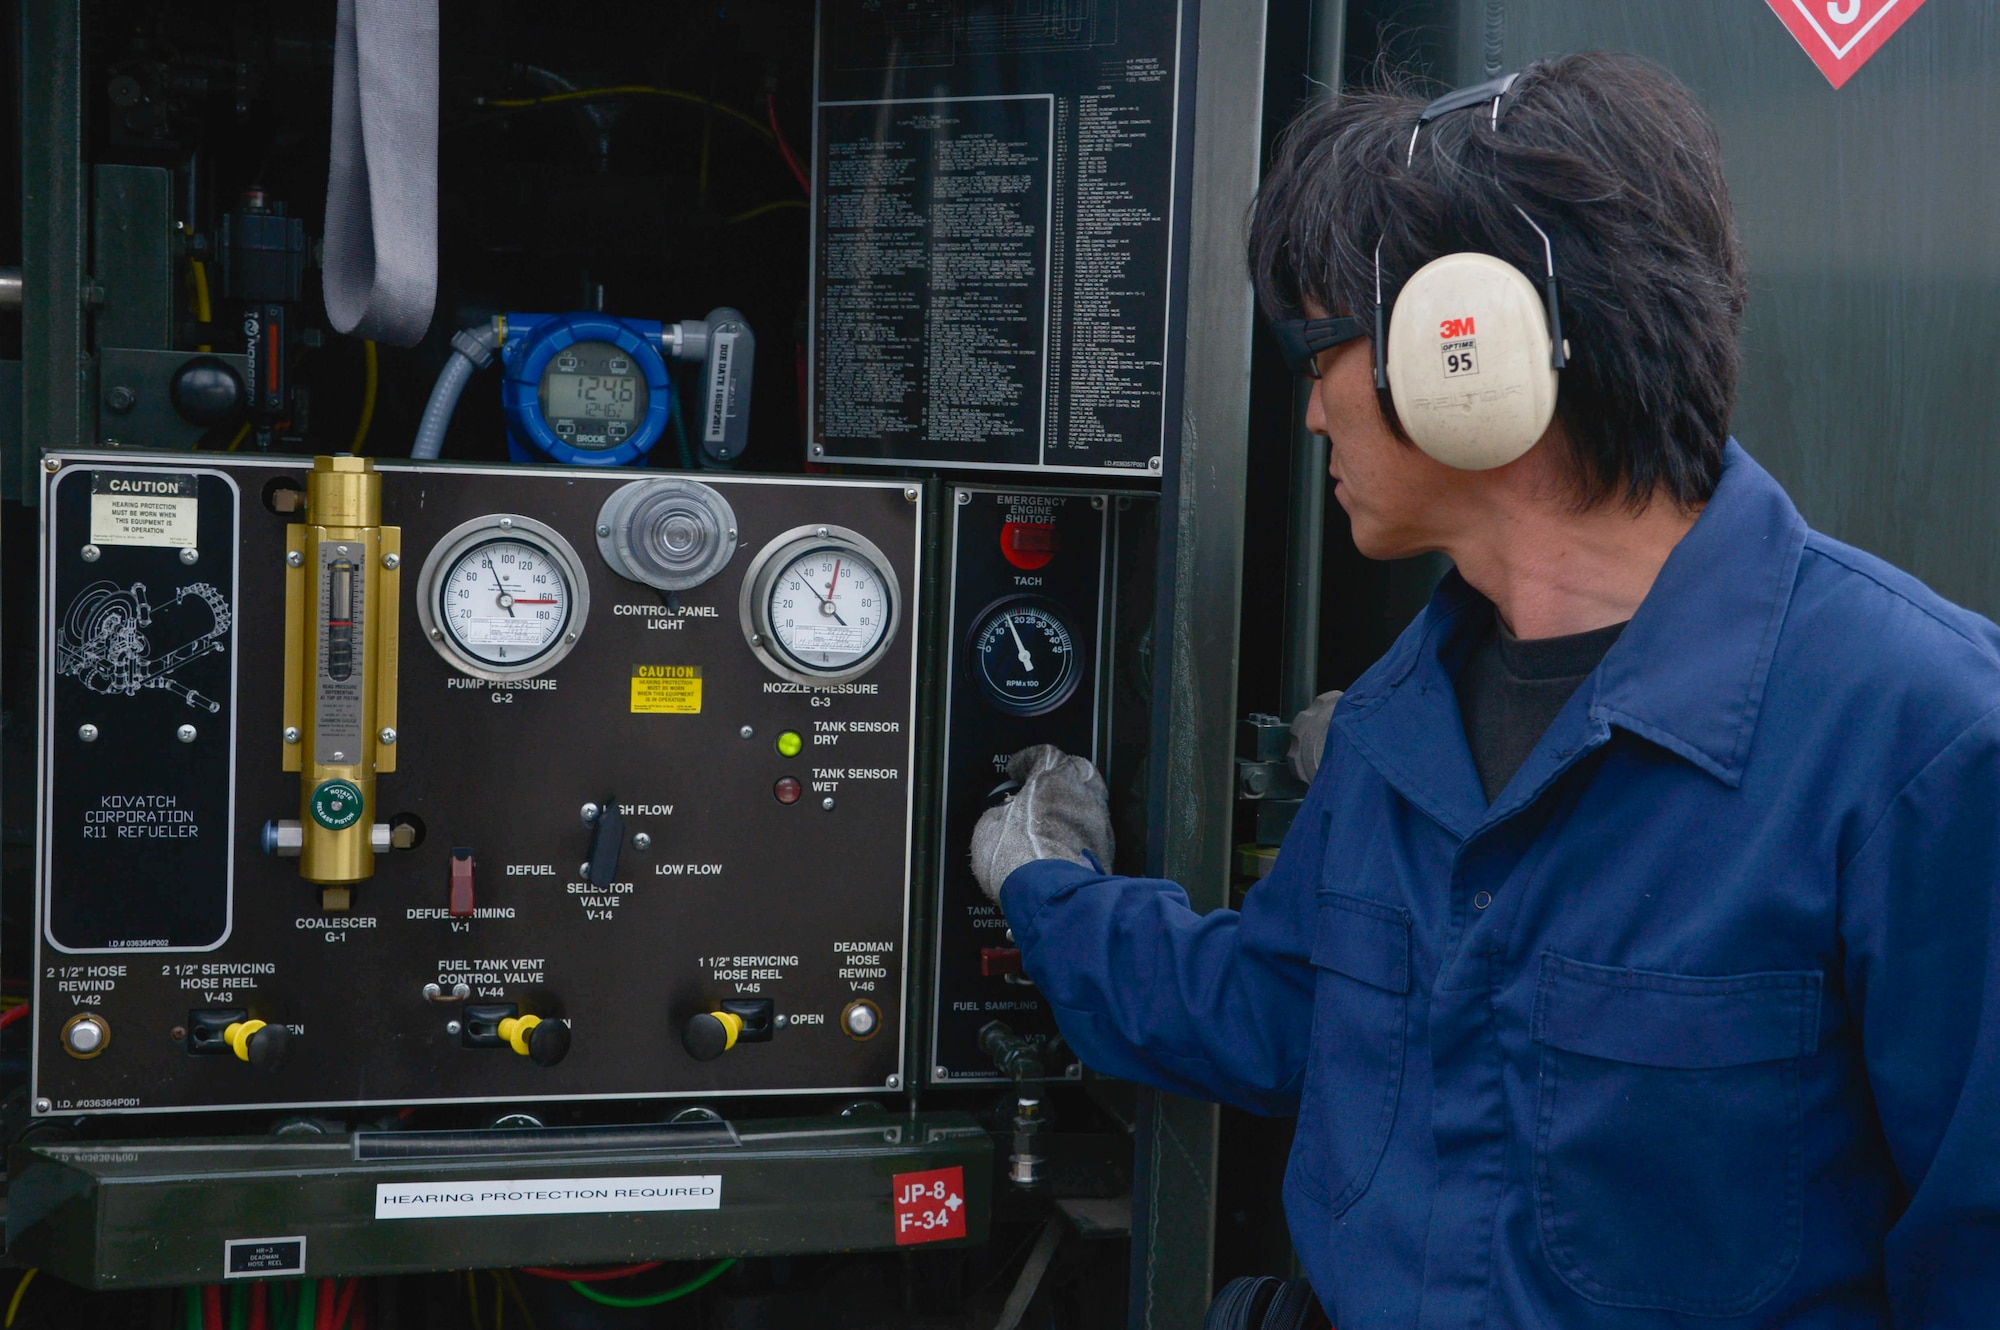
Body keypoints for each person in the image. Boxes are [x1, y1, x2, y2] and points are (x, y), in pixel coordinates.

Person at [970, 53, 2000, 1326]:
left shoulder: (1922, 744)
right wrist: (1046, 894)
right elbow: (1284, 1009)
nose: (1308, 416)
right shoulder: (1403, 715)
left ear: (1466, 350)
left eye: (1315, 352)